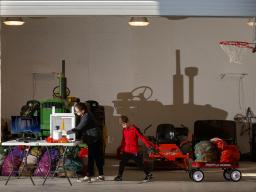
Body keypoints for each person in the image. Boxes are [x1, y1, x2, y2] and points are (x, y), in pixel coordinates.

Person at [67, 102, 104, 183]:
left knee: (92, 157)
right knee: (96, 157)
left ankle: (88, 176)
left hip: (94, 138)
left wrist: (66, 133)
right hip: (94, 138)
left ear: (82, 110)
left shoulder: (86, 117)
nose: (76, 113)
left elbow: (79, 128)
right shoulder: (85, 115)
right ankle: (100, 175)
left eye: (77, 111)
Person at [114, 115, 154, 182]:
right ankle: (119, 176)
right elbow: (123, 140)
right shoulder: (124, 130)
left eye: (123, 124)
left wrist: (149, 146)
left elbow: (142, 138)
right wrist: (121, 148)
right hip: (126, 151)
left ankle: (148, 174)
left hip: (134, 151)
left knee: (140, 164)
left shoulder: (134, 129)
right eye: (121, 124)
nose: (123, 125)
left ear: (127, 122)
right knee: (122, 163)